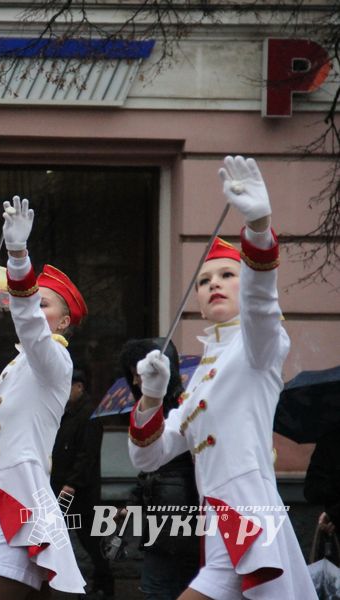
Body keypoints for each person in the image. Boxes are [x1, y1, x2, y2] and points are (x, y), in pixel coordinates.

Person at [128, 156, 317, 599]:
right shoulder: (199, 378)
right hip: (216, 517)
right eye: (204, 280)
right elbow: (148, 457)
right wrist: (152, 397)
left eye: (228, 275)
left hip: (247, 510)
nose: (214, 284)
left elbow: (262, 304)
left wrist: (258, 228)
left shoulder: (257, 345)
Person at [0, 196, 88, 598]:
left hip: (20, 493)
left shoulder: (54, 360)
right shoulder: (16, 369)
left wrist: (18, 255)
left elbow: (29, 325)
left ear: (63, 321)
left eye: (44, 304)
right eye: (33, 301)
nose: (34, 309)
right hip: (3, 493)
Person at [118, 339, 198, 600]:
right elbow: (146, 462)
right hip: (164, 514)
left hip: (179, 513)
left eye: (140, 373)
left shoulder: (185, 407)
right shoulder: (152, 408)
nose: (136, 380)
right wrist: (134, 501)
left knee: (161, 588)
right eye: (133, 374)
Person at [50, 369, 112, 598]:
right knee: (65, 536)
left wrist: (72, 482)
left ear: (79, 387)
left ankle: (103, 583)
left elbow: (87, 454)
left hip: (79, 491)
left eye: (69, 385)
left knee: (89, 539)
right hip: (62, 484)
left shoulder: (89, 415)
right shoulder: (68, 413)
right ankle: (78, 583)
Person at [304, 429, 340, 561]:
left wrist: (333, 513)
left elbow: (312, 491)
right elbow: (312, 491)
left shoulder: (329, 440)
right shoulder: (330, 441)